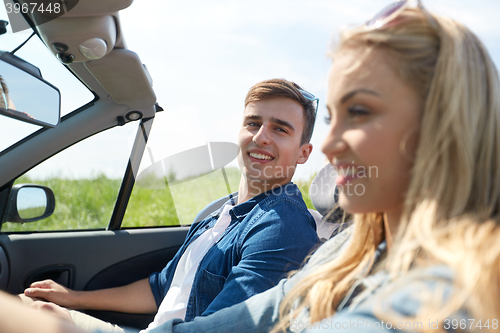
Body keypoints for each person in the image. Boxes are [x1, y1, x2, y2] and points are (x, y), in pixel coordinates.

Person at [109, 1, 498, 332]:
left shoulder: (459, 292)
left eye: (360, 112)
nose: (329, 145)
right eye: (333, 118)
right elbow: (250, 315)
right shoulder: (349, 249)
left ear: (441, 126)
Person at [21, 79, 320, 332]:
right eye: (253, 123)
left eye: (280, 129)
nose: (260, 137)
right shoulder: (222, 213)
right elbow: (161, 286)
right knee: (23, 306)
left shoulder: (282, 225)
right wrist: (73, 298)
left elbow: (223, 327)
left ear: (303, 153)